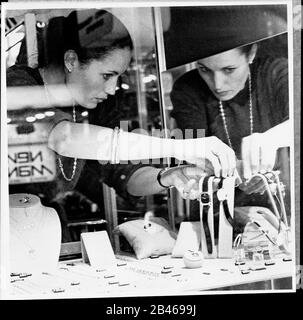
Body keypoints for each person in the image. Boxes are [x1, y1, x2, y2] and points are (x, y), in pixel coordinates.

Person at [6, 9, 236, 214]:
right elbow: (62, 138)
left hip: (43, 225)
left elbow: (125, 176)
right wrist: (181, 146)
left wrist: (169, 176)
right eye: (107, 75)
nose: (112, 88)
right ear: (71, 60)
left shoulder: (86, 107)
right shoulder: (17, 84)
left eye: (118, 77)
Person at [170, 41, 290, 218]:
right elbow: (198, 158)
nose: (217, 84)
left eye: (229, 69)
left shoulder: (276, 73)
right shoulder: (188, 89)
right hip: (216, 210)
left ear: (251, 54)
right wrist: (238, 172)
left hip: (278, 207)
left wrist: (271, 139)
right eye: (204, 69)